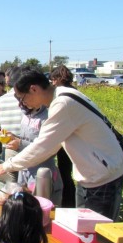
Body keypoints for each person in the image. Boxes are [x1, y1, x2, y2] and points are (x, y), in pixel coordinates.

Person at [0, 70, 123, 220]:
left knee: (96, 234)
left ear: (34, 89)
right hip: (93, 174)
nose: (22, 104)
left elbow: (44, 146)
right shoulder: (63, 93)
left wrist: (7, 165)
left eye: (22, 99)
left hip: (103, 177)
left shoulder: (62, 104)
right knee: (84, 229)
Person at [49, 65, 77, 208]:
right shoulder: (75, 92)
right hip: (71, 139)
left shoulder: (61, 97)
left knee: (64, 172)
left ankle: (67, 201)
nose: (52, 83)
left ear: (58, 79)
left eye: (53, 79)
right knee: (67, 172)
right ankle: (70, 200)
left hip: (66, 140)